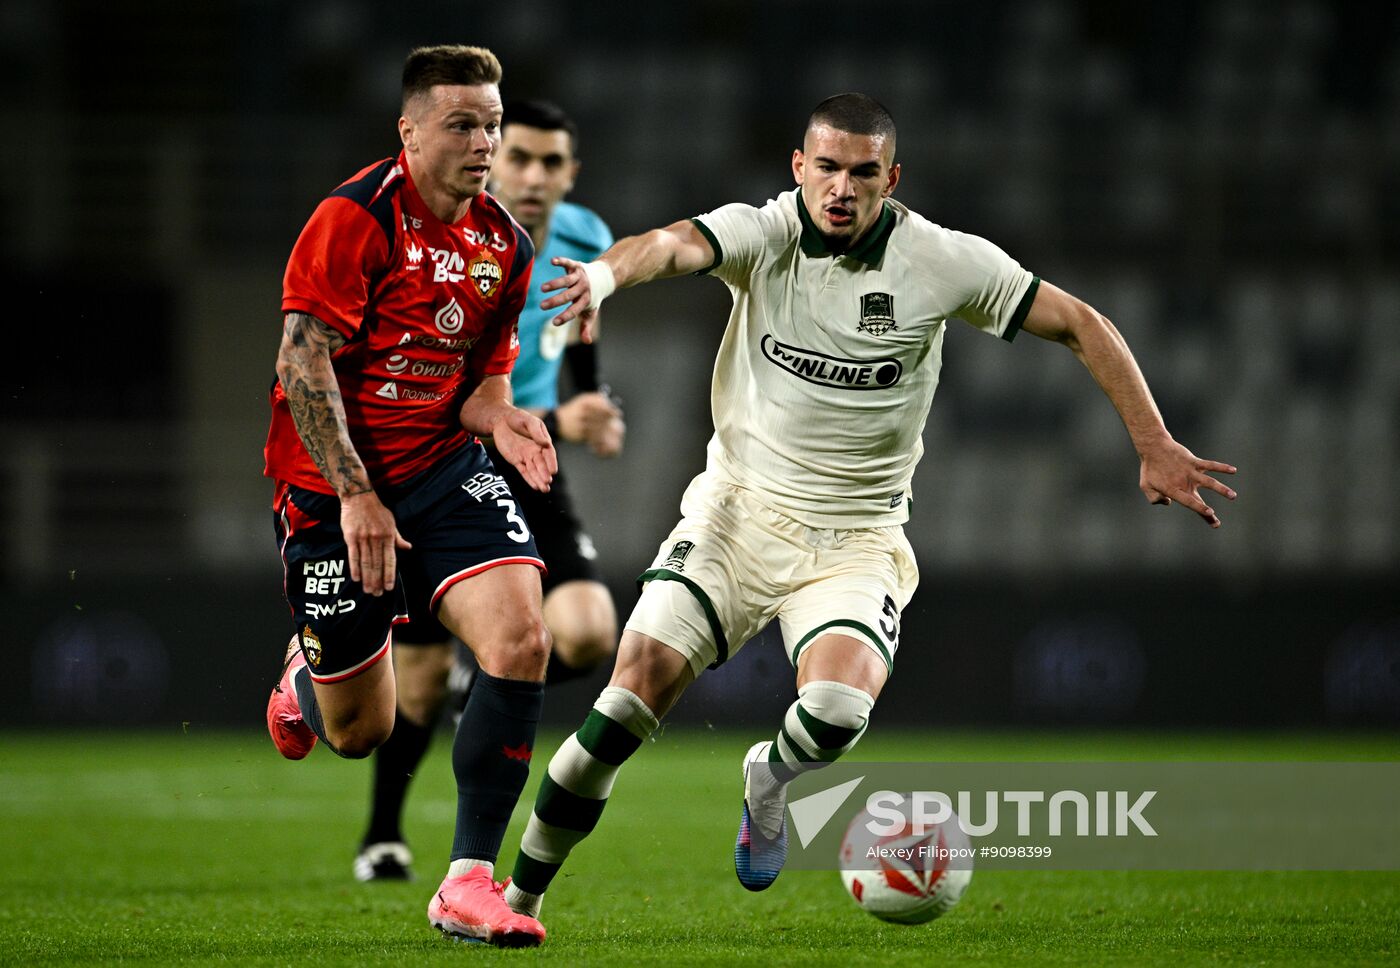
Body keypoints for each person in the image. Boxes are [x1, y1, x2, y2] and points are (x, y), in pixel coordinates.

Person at [496, 93, 1238, 929]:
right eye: (826, 168)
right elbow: (668, 244)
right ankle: (516, 900)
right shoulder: (765, 233)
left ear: (892, 179)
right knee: (623, 707)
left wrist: (1154, 441)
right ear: (799, 169)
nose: (840, 188)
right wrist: (600, 275)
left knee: (837, 714)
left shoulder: (941, 261)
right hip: (736, 517)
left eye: (862, 172)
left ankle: (769, 782)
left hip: (855, 539)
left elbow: (1081, 322)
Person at [263, 44, 553, 948]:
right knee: (360, 732)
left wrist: (500, 421)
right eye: (462, 124)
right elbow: (301, 361)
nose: (483, 143)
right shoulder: (355, 218)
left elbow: (479, 380)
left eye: (493, 126)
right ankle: (308, 675)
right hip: (330, 487)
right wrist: (354, 495)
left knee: (522, 635)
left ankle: (467, 881)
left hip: (438, 468)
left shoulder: (503, 242)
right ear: (410, 130)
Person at [353, 98, 624, 884]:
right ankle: (382, 834)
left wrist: (593, 403)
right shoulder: (457, 240)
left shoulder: (583, 239)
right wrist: (561, 418)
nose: (535, 177)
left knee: (585, 632)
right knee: (420, 676)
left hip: (529, 456)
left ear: (572, 173)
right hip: (447, 461)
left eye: (553, 164)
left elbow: (577, 341)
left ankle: (483, 680)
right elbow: (443, 389)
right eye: (522, 159)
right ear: (493, 161)